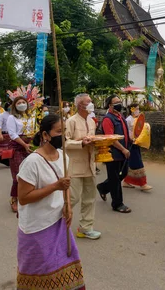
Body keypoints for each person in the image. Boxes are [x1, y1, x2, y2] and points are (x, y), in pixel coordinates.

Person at [16, 114, 85, 289]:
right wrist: (55, 186)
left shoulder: (64, 156)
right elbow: (23, 198)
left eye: (65, 131)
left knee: (65, 265)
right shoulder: (32, 162)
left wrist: (68, 205)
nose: (63, 135)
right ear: (45, 135)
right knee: (41, 269)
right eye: (59, 131)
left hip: (58, 222)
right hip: (36, 226)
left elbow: (66, 186)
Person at [65, 93, 101, 240]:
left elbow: (93, 140)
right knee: (72, 198)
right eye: (89, 102)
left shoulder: (92, 121)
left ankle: (85, 228)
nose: (91, 104)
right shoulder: (70, 121)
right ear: (80, 105)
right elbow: (65, 142)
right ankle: (56, 225)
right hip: (75, 165)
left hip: (90, 164)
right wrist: (80, 143)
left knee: (90, 197)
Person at [96, 95, 131, 213]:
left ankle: (103, 187)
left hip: (123, 151)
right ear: (110, 105)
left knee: (123, 173)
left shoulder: (120, 116)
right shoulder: (108, 119)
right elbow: (111, 139)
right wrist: (123, 149)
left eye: (119, 101)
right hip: (113, 153)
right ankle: (117, 204)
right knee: (115, 179)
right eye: (116, 102)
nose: (119, 104)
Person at [7, 96, 36, 213]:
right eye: (19, 103)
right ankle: (14, 198)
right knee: (18, 174)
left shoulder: (31, 117)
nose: (22, 104)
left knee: (30, 173)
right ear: (15, 105)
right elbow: (12, 134)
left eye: (23, 102)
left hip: (30, 145)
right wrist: (24, 145)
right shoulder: (11, 118)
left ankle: (27, 196)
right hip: (17, 146)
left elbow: (33, 131)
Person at [123, 103, 152, 191]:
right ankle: (143, 184)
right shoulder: (128, 120)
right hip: (131, 143)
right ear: (132, 109)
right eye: (136, 109)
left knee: (132, 163)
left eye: (138, 109)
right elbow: (126, 132)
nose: (137, 111)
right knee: (138, 163)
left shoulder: (137, 119)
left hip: (136, 143)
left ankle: (126, 181)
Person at [0, 101, 12, 168]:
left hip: (11, 134)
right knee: (2, 149)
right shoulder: (2, 115)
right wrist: (0, 134)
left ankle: (9, 162)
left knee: (10, 149)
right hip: (4, 134)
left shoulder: (13, 115)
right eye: (9, 107)